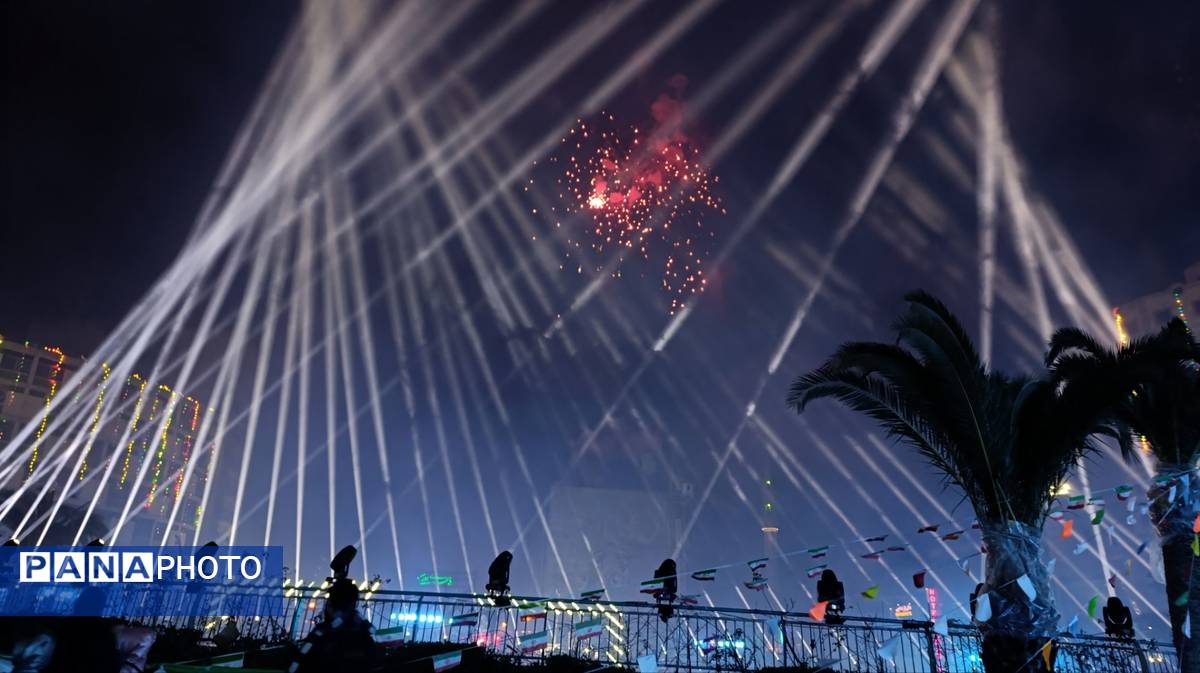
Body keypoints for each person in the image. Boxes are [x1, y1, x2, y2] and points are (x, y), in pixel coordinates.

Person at [288, 578, 378, 673]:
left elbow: (300, 665)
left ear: (331, 605)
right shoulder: (365, 637)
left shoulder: (321, 636)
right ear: (354, 604)